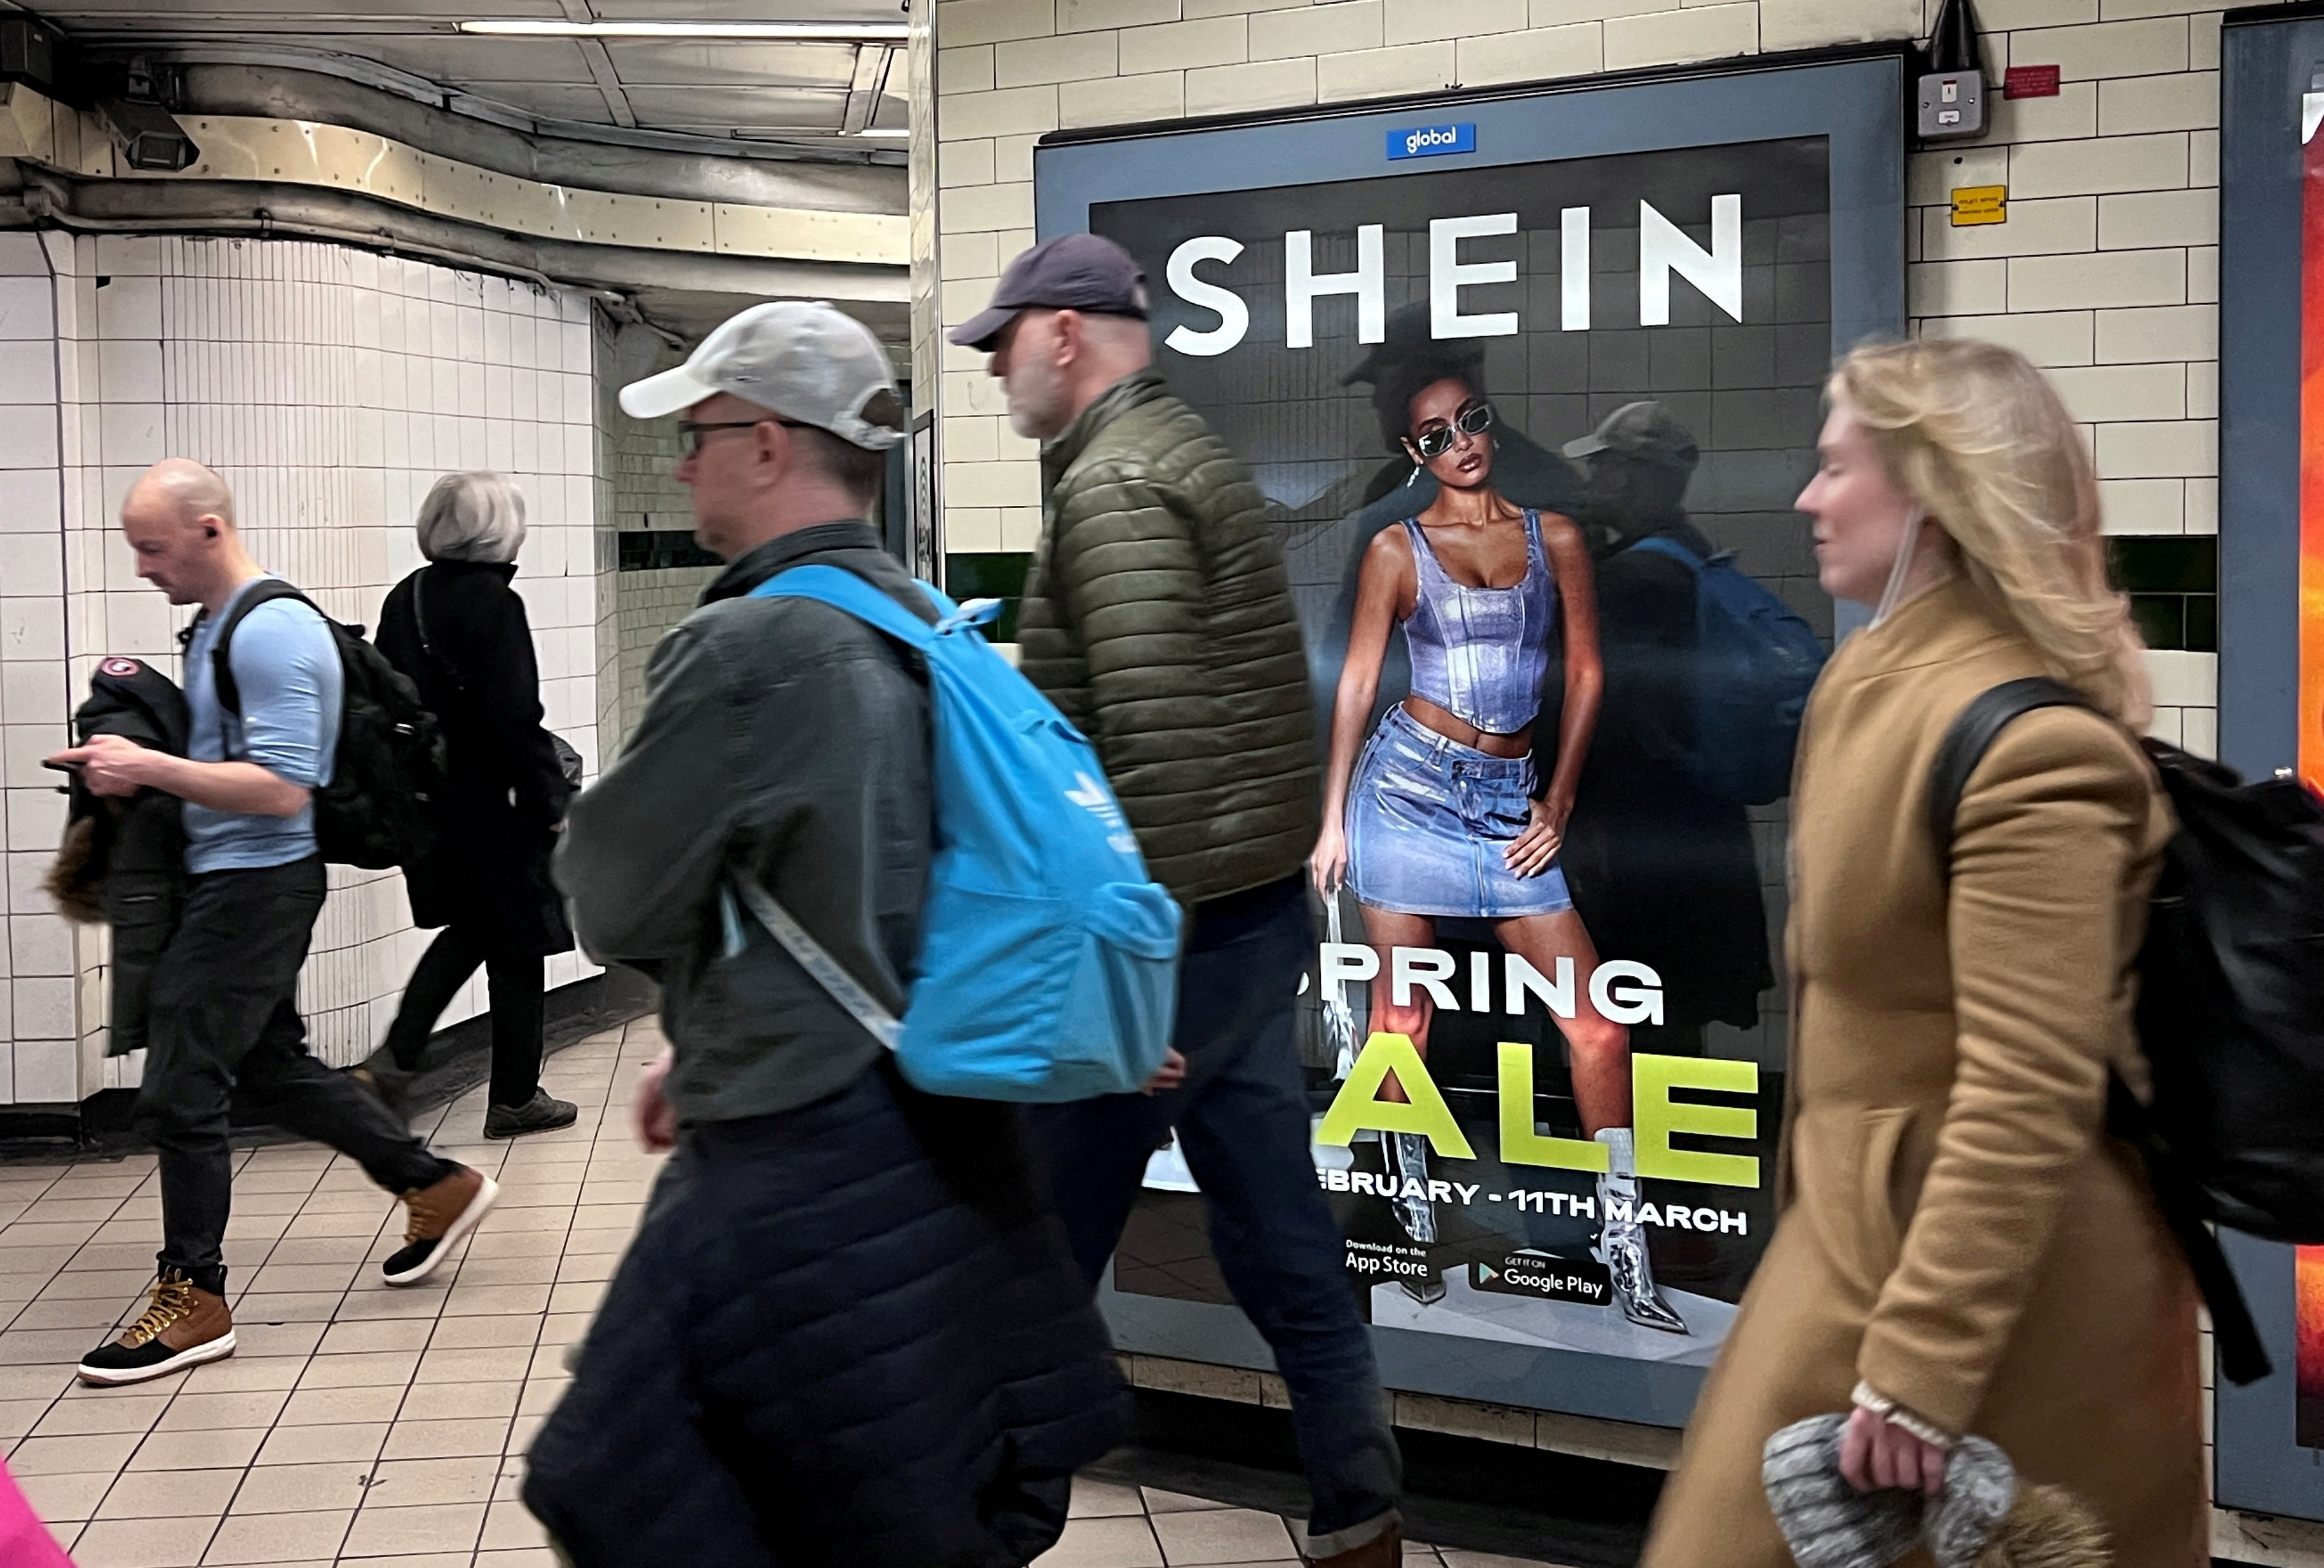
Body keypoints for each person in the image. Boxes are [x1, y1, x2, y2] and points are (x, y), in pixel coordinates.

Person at [526, 301, 1127, 1567]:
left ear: (767, 444)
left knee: (622, 1474)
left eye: (697, 433)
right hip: (944, 1127)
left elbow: (613, 896)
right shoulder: (919, 618)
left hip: (804, 1150)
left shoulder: (753, 639)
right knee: (900, 1485)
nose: (683, 462)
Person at [1639, 339, 2203, 1567]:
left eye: (1836, 466)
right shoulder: (1866, 680)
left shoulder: (2032, 748)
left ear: (1936, 494)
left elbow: (2030, 1082)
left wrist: (1922, 1367)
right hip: (1860, 1236)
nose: (1805, 497)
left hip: (1993, 1284)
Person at [954, 233, 1404, 1568]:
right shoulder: (1180, 449)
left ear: (1063, 332)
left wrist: (1121, 985)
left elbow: (1149, 749)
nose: (993, 370)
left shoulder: (1117, 486)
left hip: (1176, 944)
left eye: (1000, 341)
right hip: (1241, 925)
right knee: (1278, 1239)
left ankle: (983, 1528)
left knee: (1031, 1255)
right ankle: (1358, 1513)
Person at [51, 460, 496, 1388]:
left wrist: (145, 768)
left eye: (153, 546)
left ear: (209, 529)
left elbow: (281, 788)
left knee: (181, 1079)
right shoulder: (216, 625)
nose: (142, 565)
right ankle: (431, 1182)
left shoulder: (271, 632)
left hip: (258, 888)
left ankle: (195, 1294)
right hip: (231, 882)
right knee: (268, 1067)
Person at [1309, 363, 1687, 1338]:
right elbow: (1356, 681)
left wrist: (1557, 799)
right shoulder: (1398, 547)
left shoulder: (1552, 533)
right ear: (1413, 451)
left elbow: (1590, 671)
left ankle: (1625, 1248)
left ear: (1489, 423)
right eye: (1435, 435)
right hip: (1405, 788)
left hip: (1508, 802)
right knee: (1405, 1017)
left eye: (1469, 422)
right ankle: (1414, 1228)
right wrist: (1333, 817)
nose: (1460, 443)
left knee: (1599, 1025)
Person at [1559, 402, 1772, 1056]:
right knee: (1673, 1023)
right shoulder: (1690, 556)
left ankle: (1640, 1156)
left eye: (1598, 470)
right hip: (1698, 833)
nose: (1589, 486)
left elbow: (1601, 721)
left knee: (1640, 1025)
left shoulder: (1630, 580)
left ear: (1625, 476)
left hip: (1637, 848)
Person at [370, 472, 578, 1138]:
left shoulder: (408, 597)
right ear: (498, 528)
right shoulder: (492, 601)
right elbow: (516, 714)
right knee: (494, 930)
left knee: (506, 938)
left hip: (431, 800)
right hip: (494, 803)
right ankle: (399, 1061)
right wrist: (551, 797)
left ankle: (515, 1092)